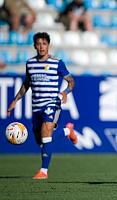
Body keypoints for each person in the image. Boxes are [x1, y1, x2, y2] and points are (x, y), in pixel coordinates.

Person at [7, 32, 78, 180]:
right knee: (41, 141)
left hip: (52, 102)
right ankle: (67, 131)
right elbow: (27, 84)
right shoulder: (30, 63)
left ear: (48, 45)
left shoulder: (57, 63)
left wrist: (65, 92)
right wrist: (15, 101)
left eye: (44, 44)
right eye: (38, 44)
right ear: (34, 46)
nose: (41, 47)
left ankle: (43, 171)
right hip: (36, 106)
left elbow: (71, 81)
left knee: (46, 132)